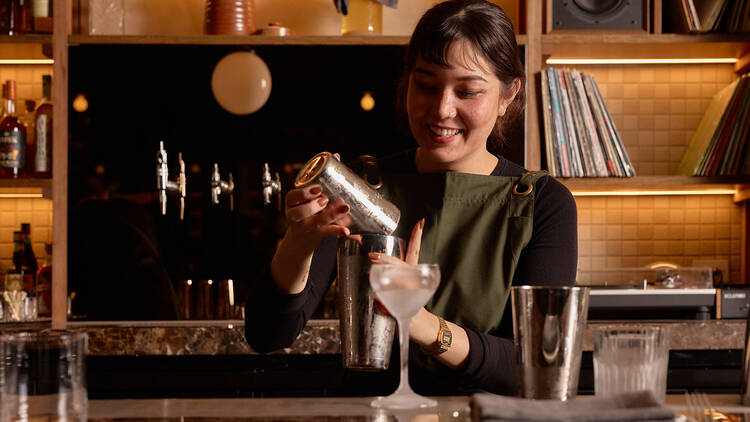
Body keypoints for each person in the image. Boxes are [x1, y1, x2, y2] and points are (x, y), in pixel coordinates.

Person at [245, 0, 577, 395]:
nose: (442, 109)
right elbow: (267, 336)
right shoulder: (362, 189)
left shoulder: (542, 202)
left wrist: (419, 322)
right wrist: (298, 241)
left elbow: (537, 364)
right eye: (426, 85)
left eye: (468, 91)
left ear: (508, 95)